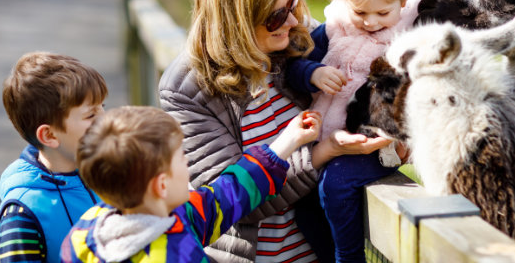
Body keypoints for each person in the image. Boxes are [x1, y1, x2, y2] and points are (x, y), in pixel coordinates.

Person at [158, 0, 393, 263]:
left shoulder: (297, 41)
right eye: (277, 15)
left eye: (293, 1)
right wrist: (323, 151)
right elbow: (233, 202)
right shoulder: (187, 90)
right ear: (236, 18)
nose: (295, 20)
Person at [287, 0, 439, 262]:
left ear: (402, 0)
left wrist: (404, 135)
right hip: (331, 137)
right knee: (304, 205)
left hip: (378, 144)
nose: (370, 22)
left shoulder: (410, 35)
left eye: (382, 12)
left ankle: (350, 257)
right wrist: (312, 73)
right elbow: (293, 67)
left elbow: (428, 89)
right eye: (360, 12)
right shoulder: (335, 29)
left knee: (336, 184)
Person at [59, 105, 320, 262]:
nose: (187, 163)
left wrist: (286, 143)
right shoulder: (174, 252)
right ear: (161, 185)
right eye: (181, 157)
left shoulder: (85, 231)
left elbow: (223, 198)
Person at [0, 52, 108, 263]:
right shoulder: (21, 215)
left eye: (104, 107)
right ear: (49, 135)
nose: (106, 119)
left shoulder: (111, 175)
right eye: (91, 115)